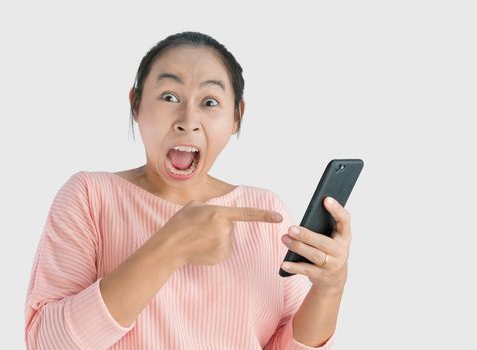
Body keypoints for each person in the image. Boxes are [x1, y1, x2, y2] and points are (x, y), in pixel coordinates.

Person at [24, 31, 352, 350]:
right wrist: (171, 246)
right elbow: (47, 343)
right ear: (136, 104)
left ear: (236, 117)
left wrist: (330, 288)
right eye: (169, 97)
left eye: (210, 102)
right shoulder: (89, 196)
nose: (188, 120)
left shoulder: (266, 211)